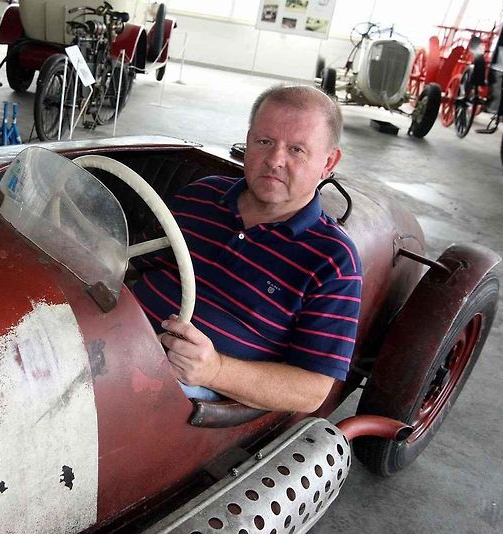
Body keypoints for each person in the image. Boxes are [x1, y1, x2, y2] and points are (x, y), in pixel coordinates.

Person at [131, 85, 362, 413]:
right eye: (264, 142)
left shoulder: (333, 260)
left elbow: (311, 391)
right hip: (118, 343)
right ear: (249, 139)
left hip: (185, 395)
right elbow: (133, 262)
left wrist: (214, 370)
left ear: (328, 162)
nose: (274, 160)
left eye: (296, 149)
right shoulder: (201, 196)